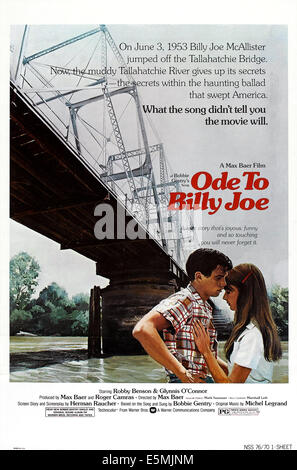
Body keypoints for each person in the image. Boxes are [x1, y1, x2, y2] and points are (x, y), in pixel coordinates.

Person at [132, 248, 233, 383]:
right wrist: (182, 373)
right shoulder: (185, 300)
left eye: (225, 278)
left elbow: (206, 356)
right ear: (199, 276)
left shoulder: (204, 306)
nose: (224, 284)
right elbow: (143, 329)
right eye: (219, 278)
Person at [193, 263, 282, 383]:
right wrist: (205, 350)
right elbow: (233, 372)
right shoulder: (249, 329)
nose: (224, 297)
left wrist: (206, 352)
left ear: (246, 294)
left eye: (229, 291)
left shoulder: (253, 336)